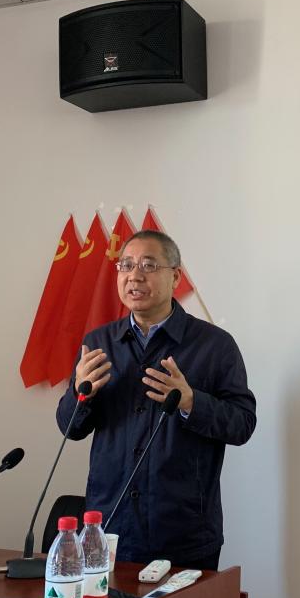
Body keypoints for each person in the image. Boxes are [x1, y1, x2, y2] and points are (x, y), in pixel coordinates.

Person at [55, 230, 256, 571]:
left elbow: (242, 424)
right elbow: (70, 428)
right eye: (126, 265)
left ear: (175, 277)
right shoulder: (100, 342)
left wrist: (191, 402)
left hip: (184, 532)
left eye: (148, 265)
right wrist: (81, 392)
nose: (134, 275)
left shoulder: (214, 345)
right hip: (109, 528)